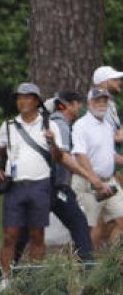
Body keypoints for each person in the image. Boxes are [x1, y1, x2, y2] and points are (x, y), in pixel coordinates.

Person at [0, 83, 62, 283]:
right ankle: (6, 280)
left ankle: (35, 279)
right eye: (19, 98)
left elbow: (58, 157)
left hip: (40, 185)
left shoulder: (49, 125)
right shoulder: (8, 126)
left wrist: (54, 142)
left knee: (37, 234)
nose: (22, 101)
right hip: (14, 186)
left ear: (36, 101)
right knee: (9, 235)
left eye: (27, 97)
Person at [17, 91, 94, 262]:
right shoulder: (61, 125)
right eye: (78, 104)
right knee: (78, 224)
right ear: (70, 105)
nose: (81, 107)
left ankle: (2, 272)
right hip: (54, 187)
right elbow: (63, 158)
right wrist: (89, 176)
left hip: (46, 187)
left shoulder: (49, 123)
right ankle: (89, 268)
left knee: (26, 232)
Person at [72, 87, 123, 249]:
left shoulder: (108, 126)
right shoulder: (81, 125)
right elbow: (80, 155)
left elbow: (109, 154)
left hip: (109, 182)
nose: (101, 104)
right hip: (88, 183)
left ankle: (111, 263)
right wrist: (95, 179)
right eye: (97, 100)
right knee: (90, 228)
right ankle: (86, 268)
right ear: (89, 103)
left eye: (104, 100)